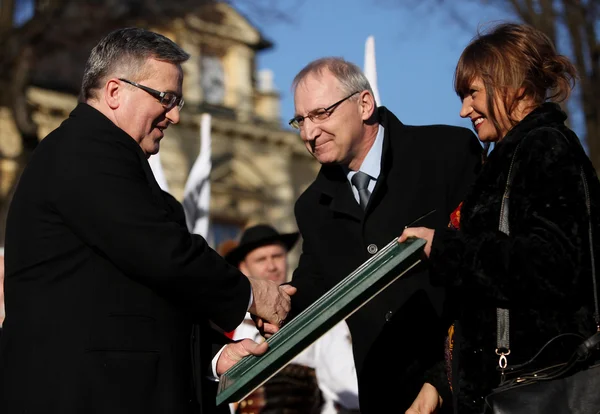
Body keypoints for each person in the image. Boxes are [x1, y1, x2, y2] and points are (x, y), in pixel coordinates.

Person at [0, 27, 295, 414]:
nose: (173, 115)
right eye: (166, 98)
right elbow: (159, 249)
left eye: (179, 102)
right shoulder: (83, 152)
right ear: (114, 92)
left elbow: (138, 293)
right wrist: (251, 293)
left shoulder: (107, 158)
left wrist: (215, 355)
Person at [399, 23, 600, 414]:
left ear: (514, 86)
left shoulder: (545, 147)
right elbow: (484, 307)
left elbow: (550, 265)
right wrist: (440, 382)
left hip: (543, 385)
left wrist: (444, 248)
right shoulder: (509, 157)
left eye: (472, 93)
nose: (463, 110)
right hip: (509, 387)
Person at [281, 57, 482, 413]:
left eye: (321, 113)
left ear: (364, 104)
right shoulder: (312, 206)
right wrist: (274, 302)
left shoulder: (447, 153)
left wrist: (441, 381)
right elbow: (312, 289)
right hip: (387, 399)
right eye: (301, 120)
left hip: (467, 390)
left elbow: (483, 271)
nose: (308, 134)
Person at [223, 224, 361, 414]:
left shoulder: (316, 315)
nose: (271, 266)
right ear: (243, 268)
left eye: (277, 256)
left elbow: (347, 388)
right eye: (261, 259)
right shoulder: (227, 326)